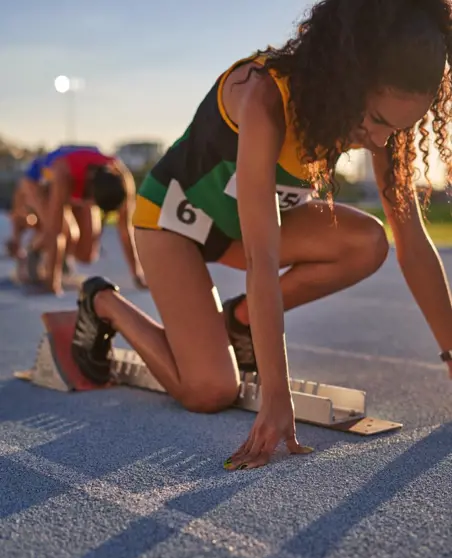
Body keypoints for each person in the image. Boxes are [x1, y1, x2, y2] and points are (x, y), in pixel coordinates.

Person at [71, 0, 452, 470]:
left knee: (370, 242)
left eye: (395, 129)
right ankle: (102, 303)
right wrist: (276, 396)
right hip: (173, 222)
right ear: (346, 77)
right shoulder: (264, 95)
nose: (378, 139)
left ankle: (242, 320)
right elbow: (261, 260)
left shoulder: (379, 127)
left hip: (235, 232)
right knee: (209, 391)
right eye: (375, 120)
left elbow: (411, 242)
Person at [7, 145, 146, 292]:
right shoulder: (63, 173)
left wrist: (137, 274)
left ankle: (60, 256)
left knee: (87, 254)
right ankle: (35, 251)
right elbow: (56, 231)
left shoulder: (123, 179)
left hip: (81, 182)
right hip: (39, 183)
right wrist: (53, 284)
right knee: (66, 232)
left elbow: (126, 231)